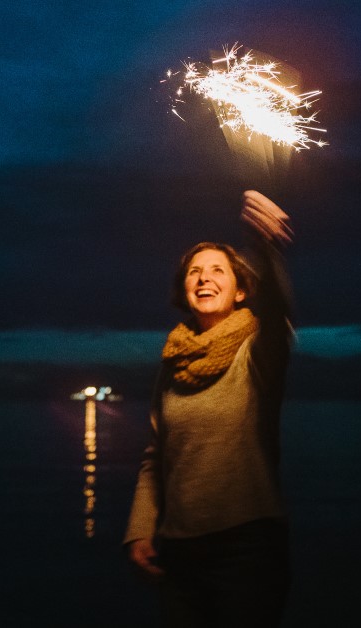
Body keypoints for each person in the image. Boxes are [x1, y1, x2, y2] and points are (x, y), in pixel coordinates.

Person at [125, 190, 295, 627]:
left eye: (218, 270)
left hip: (248, 548)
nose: (204, 278)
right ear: (184, 289)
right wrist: (140, 530)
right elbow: (154, 457)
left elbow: (277, 312)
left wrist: (267, 248)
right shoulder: (172, 363)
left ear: (241, 291)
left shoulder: (258, 354)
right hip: (179, 552)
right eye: (195, 272)